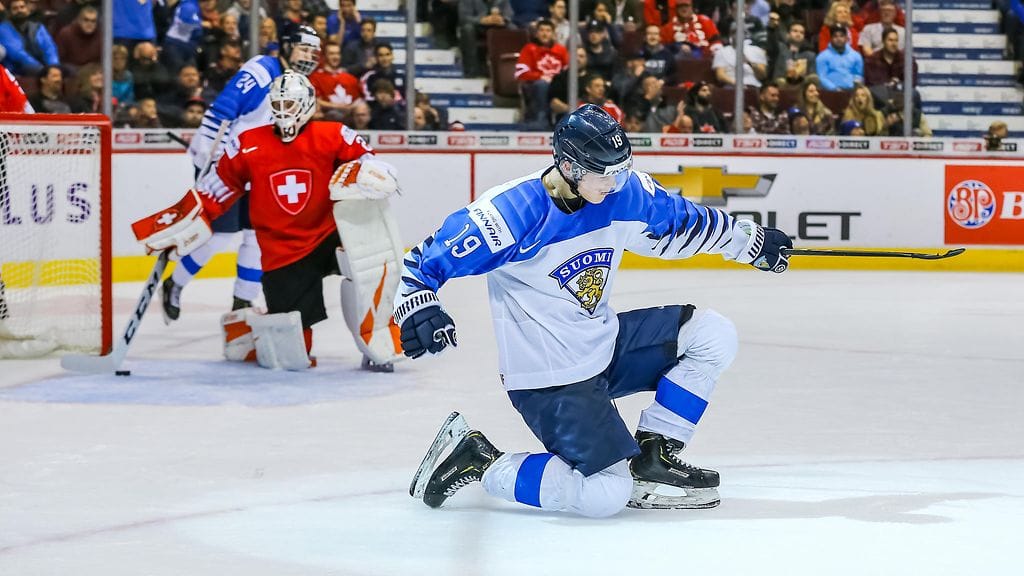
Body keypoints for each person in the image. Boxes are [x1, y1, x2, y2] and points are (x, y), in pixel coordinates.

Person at [396, 104, 792, 517]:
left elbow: (682, 222)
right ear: (569, 166)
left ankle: (654, 455)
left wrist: (750, 241)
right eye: (606, 173)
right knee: (605, 495)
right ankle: (479, 460)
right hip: (549, 377)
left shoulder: (624, 191)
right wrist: (419, 306)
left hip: (601, 347)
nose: (617, 183)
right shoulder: (510, 214)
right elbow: (422, 263)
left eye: (622, 170)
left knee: (712, 334)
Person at [134, 73, 403, 372]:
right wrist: (187, 221)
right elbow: (216, 189)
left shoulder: (334, 134)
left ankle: (377, 341)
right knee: (294, 357)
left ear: (308, 105)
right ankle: (248, 329)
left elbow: (368, 161)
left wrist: (374, 173)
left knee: (369, 266)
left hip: (330, 234)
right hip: (283, 250)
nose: (284, 111)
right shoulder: (247, 143)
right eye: (278, 104)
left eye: (290, 103)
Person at [170, 25, 322, 325]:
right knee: (218, 236)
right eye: (304, 49)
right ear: (287, 46)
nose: (309, 57)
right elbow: (222, 110)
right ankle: (174, 283)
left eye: (313, 52)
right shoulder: (262, 70)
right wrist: (209, 159)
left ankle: (243, 300)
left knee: (258, 236)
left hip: (259, 171)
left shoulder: (298, 82)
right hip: (224, 164)